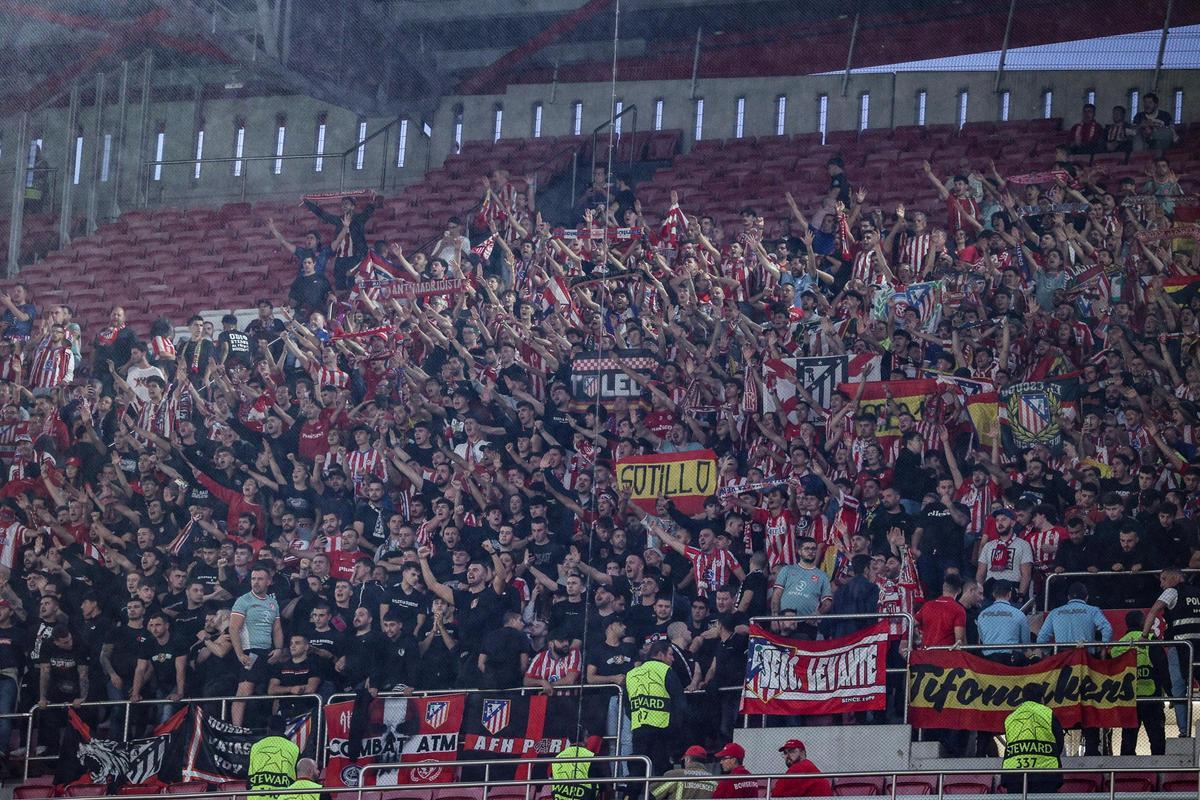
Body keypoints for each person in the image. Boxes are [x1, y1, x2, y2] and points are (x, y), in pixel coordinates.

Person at [229, 567, 285, 726]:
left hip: (267, 652)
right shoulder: (244, 600)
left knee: (269, 690)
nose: (256, 582)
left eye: (260, 579)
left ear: (269, 581)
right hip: (250, 650)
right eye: (253, 578)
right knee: (244, 691)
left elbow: (277, 629)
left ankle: (271, 728)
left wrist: (279, 649)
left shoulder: (272, 603)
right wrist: (240, 654)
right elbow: (233, 628)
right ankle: (236, 729)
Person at [626, 640, 687, 775]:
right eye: (670, 654)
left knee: (638, 771)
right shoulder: (665, 670)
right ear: (660, 654)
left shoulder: (631, 673)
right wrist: (677, 727)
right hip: (662, 729)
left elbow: (626, 705)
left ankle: (629, 795)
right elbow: (680, 702)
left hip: (639, 728)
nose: (673, 658)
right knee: (663, 771)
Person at [1112, 610, 1166, 755]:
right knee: (1157, 739)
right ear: (1142, 623)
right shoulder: (1149, 639)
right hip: (1151, 697)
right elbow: (1162, 667)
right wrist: (1169, 691)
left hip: (1128, 699)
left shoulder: (1119, 644)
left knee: (1128, 739)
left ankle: (1125, 773)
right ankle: (1159, 769)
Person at [1000, 685, 1063, 794]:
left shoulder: (1011, 717)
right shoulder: (1047, 713)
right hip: (1045, 774)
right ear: (1041, 698)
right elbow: (1059, 742)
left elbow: (1009, 741)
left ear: (1023, 698)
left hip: (1014, 774)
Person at [248, 715, 300, 793]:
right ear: (285, 729)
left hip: (257, 796)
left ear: (268, 728)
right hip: (283, 796)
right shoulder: (293, 748)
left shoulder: (256, 746)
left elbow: (249, 778)